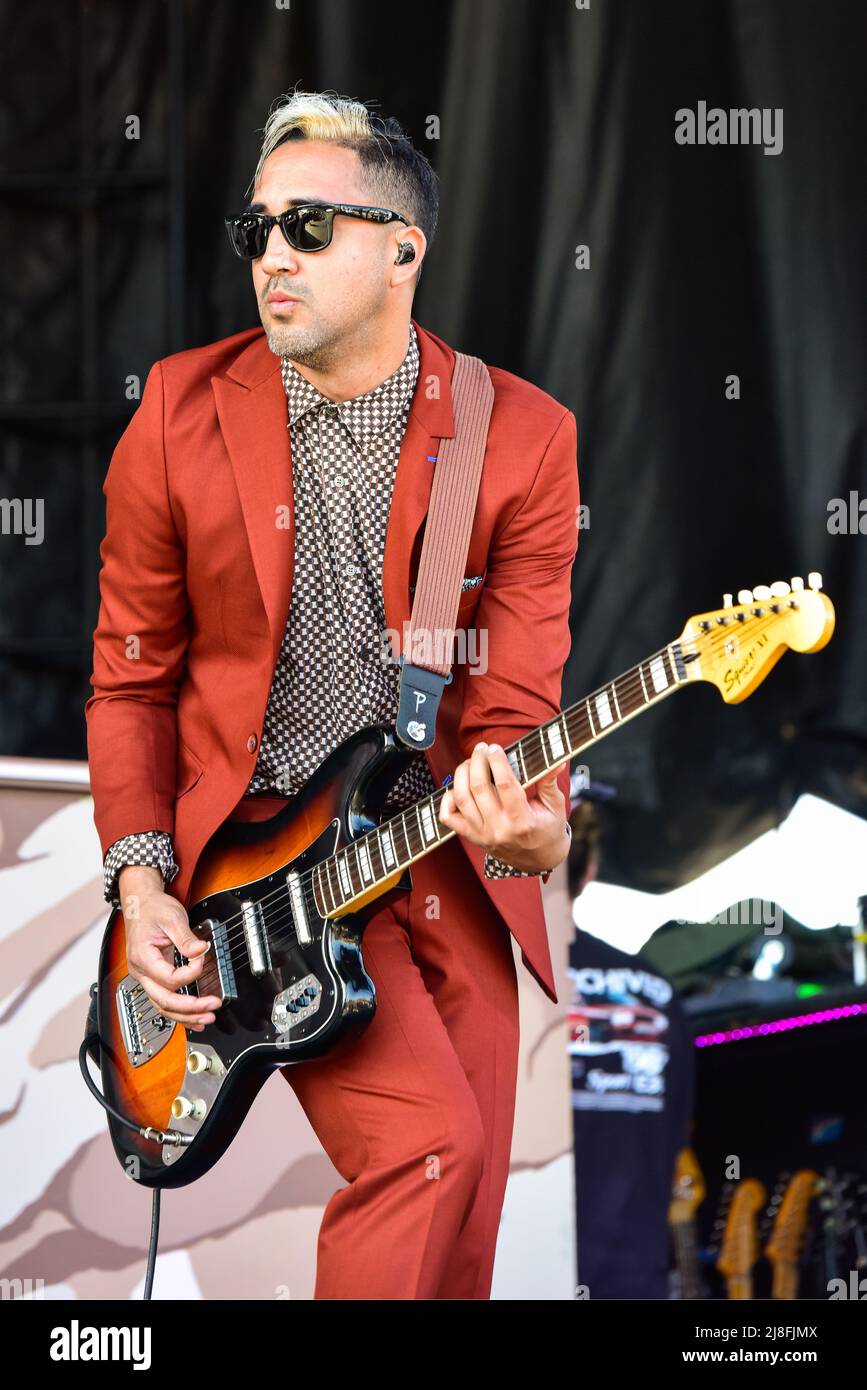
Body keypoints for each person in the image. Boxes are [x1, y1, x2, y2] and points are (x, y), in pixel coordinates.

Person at [85, 88, 580, 1300]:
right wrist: (142, 879)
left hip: (437, 853)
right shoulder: (176, 417)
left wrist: (536, 830)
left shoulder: (515, 436)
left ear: (404, 248)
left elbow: (517, 706)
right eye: (257, 230)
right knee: (425, 1149)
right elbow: (130, 678)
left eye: (310, 227)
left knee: (461, 1227)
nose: (274, 258)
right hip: (252, 874)